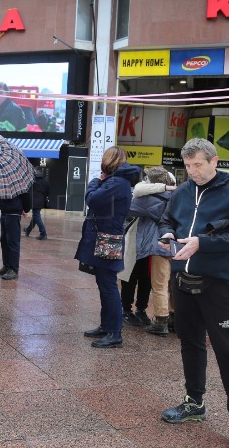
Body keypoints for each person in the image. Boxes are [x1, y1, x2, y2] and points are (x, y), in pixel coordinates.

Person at [158, 138, 229, 448]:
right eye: (188, 166)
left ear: (215, 161)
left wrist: (203, 242)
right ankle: (194, 403)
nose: (192, 171)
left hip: (219, 284)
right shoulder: (181, 191)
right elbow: (168, 219)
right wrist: (167, 234)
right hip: (183, 280)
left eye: (198, 165)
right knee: (190, 344)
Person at [75, 146, 139, 349]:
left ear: (109, 160)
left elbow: (92, 199)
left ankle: (115, 332)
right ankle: (106, 325)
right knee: (104, 284)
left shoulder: (116, 182)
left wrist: (95, 181)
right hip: (105, 236)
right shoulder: (118, 181)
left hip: (106, 238)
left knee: (109, 285)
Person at [127, 166, 175, 336]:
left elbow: (127, 207)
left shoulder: (148, 200)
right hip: (178, 246)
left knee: (159, 285)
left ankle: (161, 321)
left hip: (159, 247)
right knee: (173, 285)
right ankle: (173, 319)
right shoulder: (175, 197)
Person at [0, 189, 32, 281]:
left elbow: (26, 197)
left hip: (14, 214)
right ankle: (6, 266)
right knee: (4, 241)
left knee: (13, 242)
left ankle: (14, 269)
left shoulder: (18, 183)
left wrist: (25, 209)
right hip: (4, 213)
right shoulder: (3, 182)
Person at [24, 167, 50, 239]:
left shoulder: (32, 179)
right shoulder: (45, 179)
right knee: (36, 216)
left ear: (35, 171)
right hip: (41, 200)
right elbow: (47, 191)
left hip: (33, 200)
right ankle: (28, 229)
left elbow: (28, 189)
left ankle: (43, 233)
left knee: (36, 216)